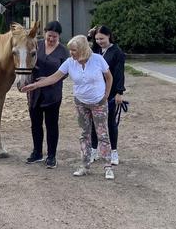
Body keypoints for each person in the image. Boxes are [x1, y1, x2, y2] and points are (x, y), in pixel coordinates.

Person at [21, 35, 115, 180]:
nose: (71, 53)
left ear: (83, 49)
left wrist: (106, 95)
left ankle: (107, 166)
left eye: (74, 50)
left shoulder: (97, 59)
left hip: (98, 103)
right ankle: (84, 165)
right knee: (84, 134)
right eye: (70, 50)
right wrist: (35, 85)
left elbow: (109, 77)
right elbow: (54, 77)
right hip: (81, 102)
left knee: (102, 134)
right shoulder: (70, 63)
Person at [25, 21, 69, 169]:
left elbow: (66, 72)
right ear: (45, 33)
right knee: (35, 124)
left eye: (54, 37)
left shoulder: (63, 51)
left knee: (51, 125)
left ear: (59, 36)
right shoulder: (37, 45)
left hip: (52, 94)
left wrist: (50, 79)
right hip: (34, 92)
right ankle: (37, 152)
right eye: (49, 36)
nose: (51, 39)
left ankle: (51, 156)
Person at [88, 25, 126, 166]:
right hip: (95, 92)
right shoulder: (96, 50)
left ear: (109, 36)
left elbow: (119, 73)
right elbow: (84, 51)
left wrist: (119, 92)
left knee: (110, 123)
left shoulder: (117, 52)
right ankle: (93, 150)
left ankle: (113, 152)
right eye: (97, 38)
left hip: (110, 93)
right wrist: (89, 37)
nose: (99, 41)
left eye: (102, 38)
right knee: (94, 122)